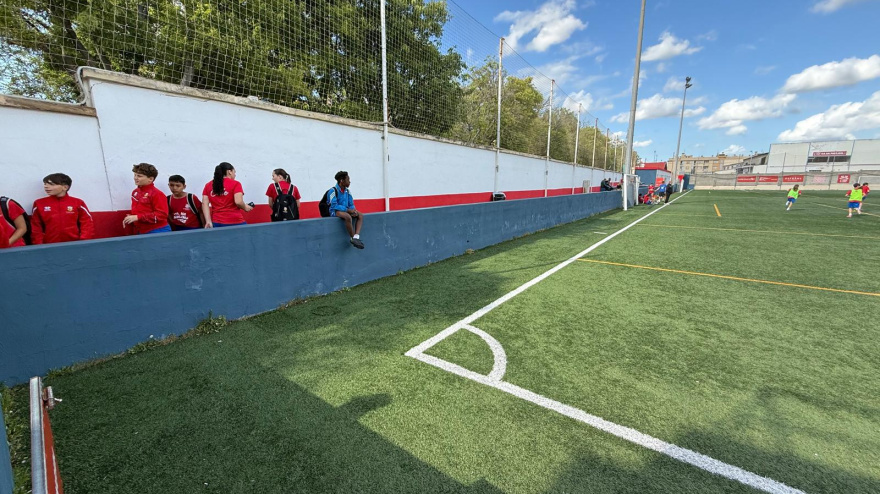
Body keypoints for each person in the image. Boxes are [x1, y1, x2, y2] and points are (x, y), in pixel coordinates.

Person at [31, 173, 95, 244]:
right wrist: (38, 244)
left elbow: (87, 223)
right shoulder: (39, 203)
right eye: (45, 184)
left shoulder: (78, 203)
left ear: (65, 187)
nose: (46, 187)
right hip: (49, 245)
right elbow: (35, 226)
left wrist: (84, 241)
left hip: (74, 244)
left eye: (51, 184)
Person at [202, 162, 252, 228]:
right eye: (234, 172)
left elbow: (204, 204)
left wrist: (208, 221)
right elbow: (238, 202)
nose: (235, 175)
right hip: (235, 221)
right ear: (229, 172)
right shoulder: (236, 184)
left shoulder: (208, 185)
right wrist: (246, 207)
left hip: (217, 222)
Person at [124, 163, 170, 234]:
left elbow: (162, 215)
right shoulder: (135, 192)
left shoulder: (157, 194)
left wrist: (138, 217)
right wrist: (132, 217)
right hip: (141, 230)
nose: (135, 178)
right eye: (135, 175)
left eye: (139, 176)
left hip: (158, 230)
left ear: (150, 179)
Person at [327, 170, 364, 249]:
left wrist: (353, 210)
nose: (349, 182)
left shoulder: (347, 191)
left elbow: (351, 204)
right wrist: (347, 210)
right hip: (335, 211)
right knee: (347, 217)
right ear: (342, 181)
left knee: (360, 215)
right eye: (348, 180)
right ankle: (352, 237)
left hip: (346, 210)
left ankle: (356, 237)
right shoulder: (333, 191)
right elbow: (334, 205)